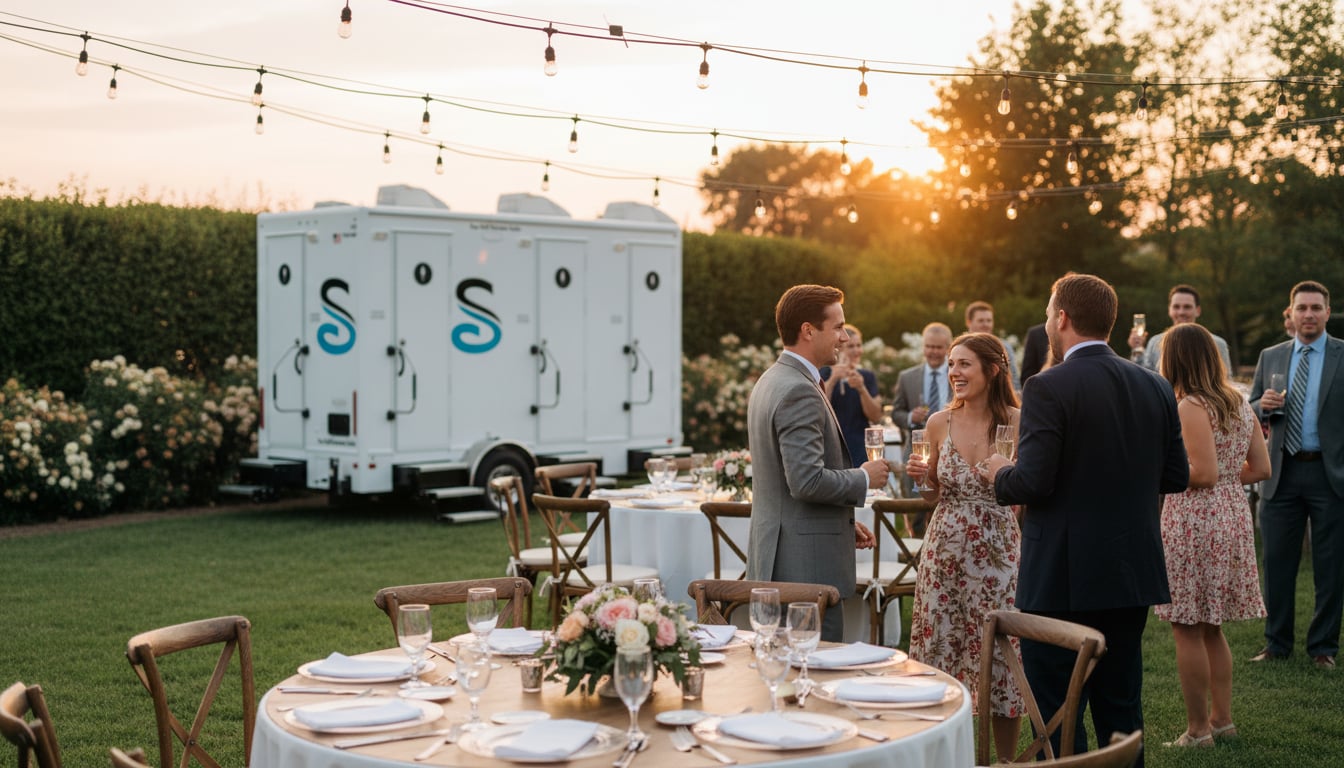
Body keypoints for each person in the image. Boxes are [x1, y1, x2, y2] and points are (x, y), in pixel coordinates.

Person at [979, 273, 1189, 764]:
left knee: (1055, 709)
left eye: (1050, 313)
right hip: (1129, 569)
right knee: (1121, 707)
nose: (1048, 322)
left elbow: (1032, 482)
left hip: (1062, 576)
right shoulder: (1155, 385)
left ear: (1064, 319)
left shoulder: (1048, 385)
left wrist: (998, 473)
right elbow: (1176, 475)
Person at [746, 284, 888, 642]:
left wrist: (838, 519)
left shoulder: (772, 379)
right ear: (808, 330)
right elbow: (805, 481)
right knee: (813, 675)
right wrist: (863, 478)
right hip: (803, 572)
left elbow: (785, 481)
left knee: (782, 675)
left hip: (780, 556)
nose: (844, 337)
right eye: (838, 327)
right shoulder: (798, 390)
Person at [905, 332, 1023, 760]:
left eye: (964, 364)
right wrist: (922, 480)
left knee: (1002, 653)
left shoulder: (1017, 420)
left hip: (998, 550)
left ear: (992, 370)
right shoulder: (939, 423)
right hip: (944, 551)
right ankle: (940, 754)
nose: (954, 372)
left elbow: (1027, 492)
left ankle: (1005, 760)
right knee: (940, 647)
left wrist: (1008, 477)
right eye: (951, 364)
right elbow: (932, 494)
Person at [1155, 323, 1272, 747]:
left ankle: (1198, 730)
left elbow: (1200, 474)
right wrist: (1224, 479)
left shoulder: (1189, 406)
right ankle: (1223, 721)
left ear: (1176, 359)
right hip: (1231, 513)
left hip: (1193, 518)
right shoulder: (1238, 401)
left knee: (1187, 626)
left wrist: (1158, 474)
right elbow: (1260, 469)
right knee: (1211, 626)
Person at [1248, 280, 1344, 670]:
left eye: (1316, 307)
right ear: (1291, 313)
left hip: (1329, 474)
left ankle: (1323, 647)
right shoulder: (1271, 356)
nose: (1308, 314)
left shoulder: (1342, 354)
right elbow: (1249, 409)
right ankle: (1277, 642)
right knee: (1277, 563)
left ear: (1327, 311)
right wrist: (1262, 405)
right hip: (1280, 474)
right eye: (1301, 308)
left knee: (1330, 565)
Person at [892, 322, 953, 506]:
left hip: (950, 449)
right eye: (928, 346)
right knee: (915, 506)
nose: (933, 351)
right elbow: (896, 412)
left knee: (944, 504)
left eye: (938, 347)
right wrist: (911, 417)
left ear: (948, 348)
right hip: (917, 452)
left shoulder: (957, 375)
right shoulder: (907, 377)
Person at [1129, 284, 1232, 373]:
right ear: (1169, 310)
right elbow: (1144, 379)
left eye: (1187, 307)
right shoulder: (1155, 342)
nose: (1181, 312)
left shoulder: (1217, 344)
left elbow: (1226, 381)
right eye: (1176, 307)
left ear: (1198, 310)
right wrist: (1137, 349)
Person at [819, 324, 883, 467]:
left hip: (859, 447)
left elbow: (876, 416)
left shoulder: (867, 376)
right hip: (831, 447)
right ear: (839, 348)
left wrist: (862, 389)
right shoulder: (823, 374)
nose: (856, 351)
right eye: (851, 346)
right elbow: (819, 407)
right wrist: (834, 378)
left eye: (858, 345)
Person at [966, 300, 1021, 388]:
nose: (986, 324)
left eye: (989, 320)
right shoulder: (959, 347)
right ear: (969, 322)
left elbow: (1013, 378)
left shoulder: (1004, 346)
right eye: (981, 321)